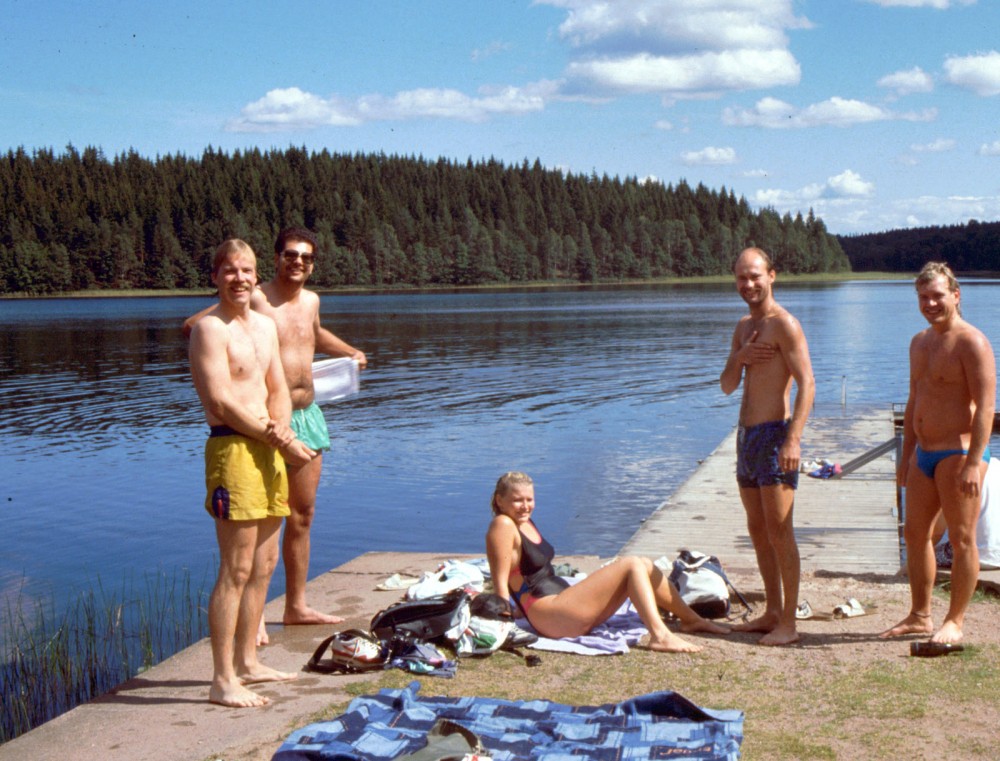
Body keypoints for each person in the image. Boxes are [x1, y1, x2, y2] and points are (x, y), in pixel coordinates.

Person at [185, 227, 367, 643]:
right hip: (262, 423)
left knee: (301, 516)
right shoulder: (258, 297)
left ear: (313, 263)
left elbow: (314, 334)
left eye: (305, 257)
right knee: (262, 522)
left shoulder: (312, 300)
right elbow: (196, 323)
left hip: (304, 413)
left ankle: (296, 605)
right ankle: (255, 620)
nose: (298, 262)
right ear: (277, 258)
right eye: (290, 255)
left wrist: (349, 352)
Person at [188, 239, 316, 707]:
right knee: (236, 568)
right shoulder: (209, 330)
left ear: (256, 276)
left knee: (264, 565)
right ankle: (222, 679)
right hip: (234, 450)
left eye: (246, 271)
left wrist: (281, 430)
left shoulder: (263, 326)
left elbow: (276, 386)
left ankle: (248, 662)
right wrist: (278, 438)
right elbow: (221, 400)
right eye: (229, 271)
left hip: (267, 448)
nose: (239, 278)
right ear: (215, 276)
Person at [485, 472, 729, 653]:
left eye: (530, 499)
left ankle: (691, 620)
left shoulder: (523, 521)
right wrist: (506, 618)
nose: (525, 506)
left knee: (642, 563)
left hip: (562, 605)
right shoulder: (503, 525)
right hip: (551, 615)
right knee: (631, 564)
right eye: (518, 500)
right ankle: (660, 636)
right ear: (500, 500)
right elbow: (500, 581)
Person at [881, 262, 995, 645]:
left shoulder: (972, 342)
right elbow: (915, 400)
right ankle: (920, 615)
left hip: (958, 454)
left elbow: (986, 406)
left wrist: (974, 462)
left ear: (956, 295)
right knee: (916, 535)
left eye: (937, 296)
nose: (930, 303)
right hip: (924, 454)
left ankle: (956, 621)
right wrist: (907, 455)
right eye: (923, 297)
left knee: (962, 538)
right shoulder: (920, 342)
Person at [719, 247, 815, 646]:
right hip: (746, 438)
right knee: (758, 530)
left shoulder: (785, 325)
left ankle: (789, 624)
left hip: (776, 434)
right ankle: (772, 612)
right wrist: (739, 357)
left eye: (755, 276)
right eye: (742, 277)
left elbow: (808, 383)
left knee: (780, 531)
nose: (749, 284)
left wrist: (793, 438)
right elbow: (726, 386)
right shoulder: (743, 327)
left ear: (772, 275)